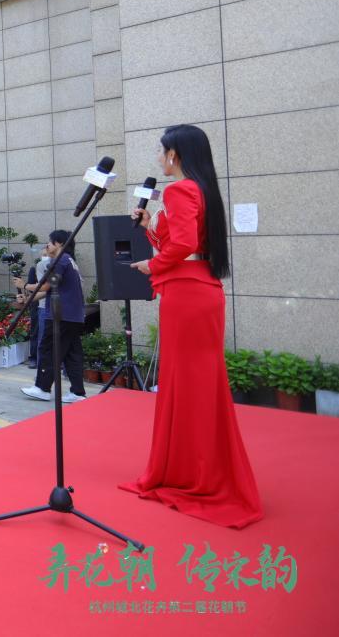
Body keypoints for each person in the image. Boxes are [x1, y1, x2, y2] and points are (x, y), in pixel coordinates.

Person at [120, 124, 262, 528]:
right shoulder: (203, 189)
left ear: (175, 154)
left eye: (161, 151)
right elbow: (184, 243)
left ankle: (194, 474)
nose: (158, 157)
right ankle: (200, 471)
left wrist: (152, 264)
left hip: (187, 295)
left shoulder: (181, 190)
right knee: (198, 385)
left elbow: (179, 248)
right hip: (201, 291)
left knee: (187, 385)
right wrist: (150, 226)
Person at [19, 231, 88, 404]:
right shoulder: (69, 261)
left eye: (49, 242)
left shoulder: (60, 260)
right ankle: (77, 392)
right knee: (72, 353)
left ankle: (42, 388)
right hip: (73, 315)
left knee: (48, 349)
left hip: (61, 314)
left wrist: (24, 285)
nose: (47, 246)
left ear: (59, 244)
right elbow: (49, 291)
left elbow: (46, 286)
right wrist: (28, 298)